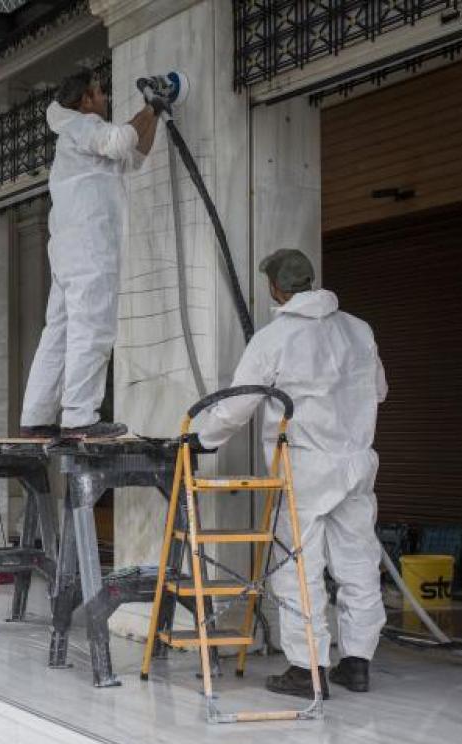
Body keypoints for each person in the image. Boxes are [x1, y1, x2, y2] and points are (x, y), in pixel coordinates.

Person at [193, 248, 388, 698]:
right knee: (358, 561)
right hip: (356, 462)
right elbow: (379, 390)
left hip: (304, 466)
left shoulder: (274, 338)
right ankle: (357, 662)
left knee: (296, 565)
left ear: (276, 288)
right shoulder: (360, 330)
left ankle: (308, 668)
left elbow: (237, 404)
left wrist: (203, 439)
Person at [19, 69, 159, 439]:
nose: (105, 98)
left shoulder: (78, 136)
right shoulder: (81, 126)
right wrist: (149, 107)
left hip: (70, 246)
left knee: (61, 330)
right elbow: (117, 140)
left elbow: (135, 155)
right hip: (88, 244)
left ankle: (36, 415)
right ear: (85, 99)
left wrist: (154, 113)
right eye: (100, 92)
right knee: (91, 327)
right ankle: (80, 416)